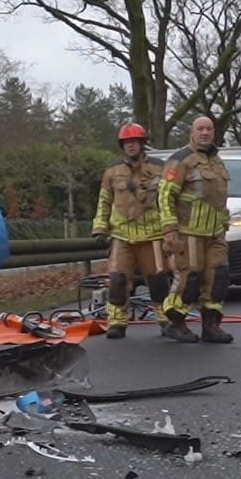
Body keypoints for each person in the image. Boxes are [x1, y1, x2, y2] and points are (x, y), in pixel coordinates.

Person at [157, 115, 233, 344]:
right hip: (188, 232)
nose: (205, 133)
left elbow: (220, 197)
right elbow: (165, 195)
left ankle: (211, 326)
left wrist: (224, 223)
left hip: (215, 232)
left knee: (218, 277)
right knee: (190, 278)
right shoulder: (180, 160)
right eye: (200, 128)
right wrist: (169, 229)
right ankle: (175, 323)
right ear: (192, 132)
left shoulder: (217, 161)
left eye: (209, 129)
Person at [91, 123, 168, 339]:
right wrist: (100, 227)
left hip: (152, 235)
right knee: (117, 279)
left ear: (142, 144)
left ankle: (166, 319)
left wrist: (171, 228)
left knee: (158, 280)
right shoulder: (112, 171)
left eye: (134, 142)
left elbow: (169, 200)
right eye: (126, 143)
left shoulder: (160, 168)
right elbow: (104, 201)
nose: (130, 146)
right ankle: (117, 321)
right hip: (122, 235)